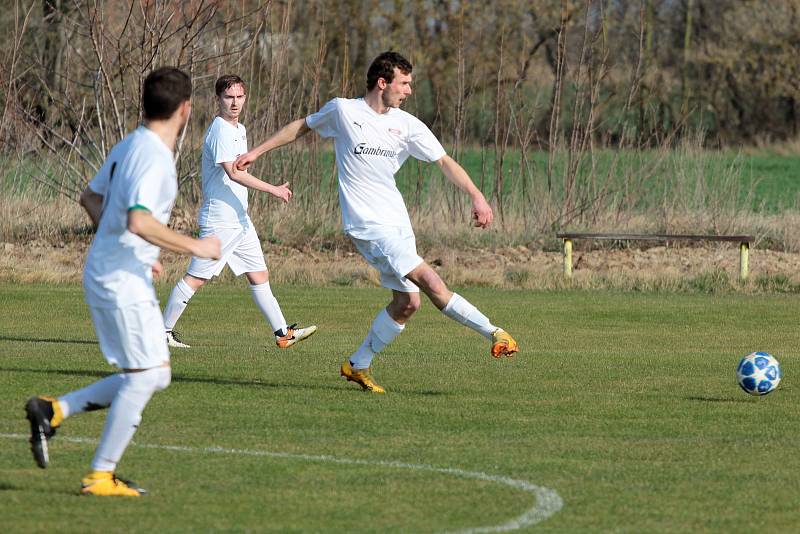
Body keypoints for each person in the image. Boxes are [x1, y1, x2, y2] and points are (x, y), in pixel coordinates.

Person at [235, 51, 519, 393]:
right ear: (382, 83)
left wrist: (477, 195)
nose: (409, 91)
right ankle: (495, 332)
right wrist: (257, 152)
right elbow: (302, 127)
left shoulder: (407, 124)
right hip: (368, 226)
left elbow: (444, 161)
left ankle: (357, 365)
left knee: (407, 303)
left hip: (397, 225)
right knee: (430, 280)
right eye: (404, 83)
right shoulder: (344, 110)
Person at [24, 67, 222, 496]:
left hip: (117, 270)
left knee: (156, 375)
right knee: (144, 374)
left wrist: (130, 249)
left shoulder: (131, 143)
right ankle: (99, 476)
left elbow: (90, 197)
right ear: (186, 110)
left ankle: (53, 410)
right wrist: (196, 247)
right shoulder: (154, 157)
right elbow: (138, 220)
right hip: (117, 279)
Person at [161, 75, 316, 350]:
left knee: (259, 274)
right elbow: (233, 173)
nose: (235, 103)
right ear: (218, 99)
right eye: (228, 97)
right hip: (220, 219)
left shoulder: (238, 128)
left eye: (239, 97)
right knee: (196, 278)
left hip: (239, 219)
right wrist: (273, 189)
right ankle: (162, 332)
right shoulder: (220, 129)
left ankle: (283, 333)